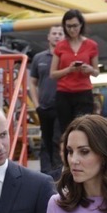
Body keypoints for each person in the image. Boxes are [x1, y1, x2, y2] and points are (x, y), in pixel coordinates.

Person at [51, 9, 99, 133]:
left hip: (84, 93)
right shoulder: (60, 46)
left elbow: (96, 72)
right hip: (64, 94)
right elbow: (53, 74)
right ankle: (67, 151)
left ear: (81, 25)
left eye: (75, 26)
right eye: (68, 26)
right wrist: (69, 70)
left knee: (84, 128)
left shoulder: (91, 45)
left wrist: (89, 69)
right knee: (66, 130)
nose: (72, 30)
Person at [29, 25, 65, 180]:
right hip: (44, 107)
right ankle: (45, 176)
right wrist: (36, 104)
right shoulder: (39, 58)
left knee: (58, 140)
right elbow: (32, 83)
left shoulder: (66, 57)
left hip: (62, 106)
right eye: (54, 33)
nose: (57, 36)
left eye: (60, 34)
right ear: (48, 37)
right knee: (45, 142)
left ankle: (57, 176)